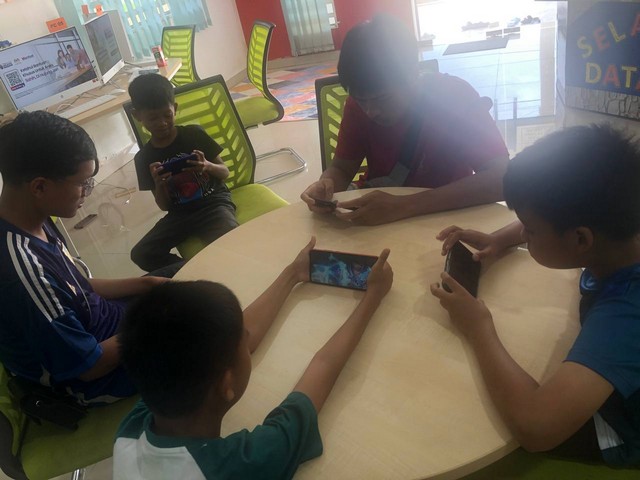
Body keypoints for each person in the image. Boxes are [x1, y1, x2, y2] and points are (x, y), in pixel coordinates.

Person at [431, 124, 640, 466]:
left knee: (470, 417)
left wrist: (479, 328)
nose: (524, 234)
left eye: (530, 229)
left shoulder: (624, 316)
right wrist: (499, 239)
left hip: (621, 427)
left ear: (581, 240)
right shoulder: (620, 225)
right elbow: (557, 218)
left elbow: (536, 429)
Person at [113, 238, 393, 479]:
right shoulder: (244, 464)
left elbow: (226, 338)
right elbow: (325, 366)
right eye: (243, 341)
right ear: (227, 383)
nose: (247, 340)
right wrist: (373, 296)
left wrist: (292, 273)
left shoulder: (132, 426)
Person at [0, 111, 175, 404]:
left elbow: (79, 285)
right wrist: (152, 323)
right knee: (205, 332)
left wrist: (149, 284)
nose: (87, 193)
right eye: (84, 183)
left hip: (106, 323)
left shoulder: (33, 216)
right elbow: (89, 367)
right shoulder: (22, 271)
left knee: (183, 276)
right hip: (96, 376)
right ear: (39, 187)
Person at [301, 14, 509, 226]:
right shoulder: (357, 106)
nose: (371, 111)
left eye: (382, 99)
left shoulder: (454, 97)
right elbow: (342, 169)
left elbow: (502, 178)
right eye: (362, 100)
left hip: (447, 216)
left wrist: (406, 205)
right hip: (379, 215)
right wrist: (326, 184)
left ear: (413, 75)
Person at [128, 73, 238, 272]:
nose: (162, 123)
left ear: (175, 108)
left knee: (232, 241)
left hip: (213, 204)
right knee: (141, 254)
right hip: (180, 214)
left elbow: (225, 172)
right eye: (152, 118)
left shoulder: (194, 135)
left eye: (167, 115)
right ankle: (192, 270)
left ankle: (218, 268)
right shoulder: (143, 158)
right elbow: (164, 206)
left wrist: (207, 166)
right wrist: (159, 185)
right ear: (137, 116)